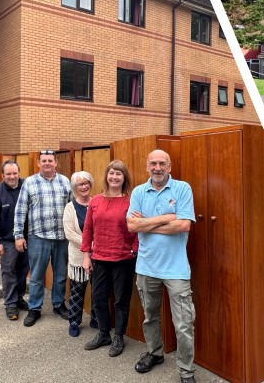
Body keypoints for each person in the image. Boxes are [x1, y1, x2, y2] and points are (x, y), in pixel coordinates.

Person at [126, 150, 196, 383]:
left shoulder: (182, 189)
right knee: (150, 317)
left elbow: (184, 225)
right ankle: (155, 353)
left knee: (184, 324)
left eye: (162, 163)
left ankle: (186, 372)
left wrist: (144, 224)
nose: (157, 167)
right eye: (153, 163)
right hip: (146, 267)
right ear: (147, 166)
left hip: (176, 270)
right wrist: (167, 217)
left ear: (169, 166)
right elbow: (131, 226)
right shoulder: (138, 191)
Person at [81, 160, 138, 357]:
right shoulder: (95, 200)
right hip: (100, 258)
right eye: (111, 173)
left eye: (119, 174)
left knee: (121, 301)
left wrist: (134, 251)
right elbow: (88, 229)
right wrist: (86, 255)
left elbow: (138, 229)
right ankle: (104, 334)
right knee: (98, 298)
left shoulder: (131, 201)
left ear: (124, 178)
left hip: (123, 259)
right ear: (106, 176)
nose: (114, 177)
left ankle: (119, 337)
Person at [14, 150, 72, 327]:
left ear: (56, 163)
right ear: (38, 163)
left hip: (62, 237)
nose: (47, 163)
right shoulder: (30, 183)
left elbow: (72, 208)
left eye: (50, 161)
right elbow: (20, 210)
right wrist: (18, 235)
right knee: (37, 276)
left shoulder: (65, 181)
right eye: (44, 161)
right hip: (38, 237)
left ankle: (58, 304)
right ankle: (35, 308)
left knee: (61, 274)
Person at [0, 160, 29, 321]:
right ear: (2, 175)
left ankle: (19, 298)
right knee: (8, 271)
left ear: (19, 173)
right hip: (7, 240)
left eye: (15, 173)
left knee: (23, 270)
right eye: (8, 174)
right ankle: (11, 303)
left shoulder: (26, 186)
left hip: (26, 238)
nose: (12, 177)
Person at [62, 171, 98, 337]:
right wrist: (90, 245)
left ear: (90, 184)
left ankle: (96, 319)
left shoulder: (97, 203)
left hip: (99, 256)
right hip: (78, 256)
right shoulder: (70, 208)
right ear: (74, 187)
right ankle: (74, 322)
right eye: (79, 184)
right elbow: (69, 233)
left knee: (98, 289)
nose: (83, 187)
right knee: (77, 290)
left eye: (86, 183)